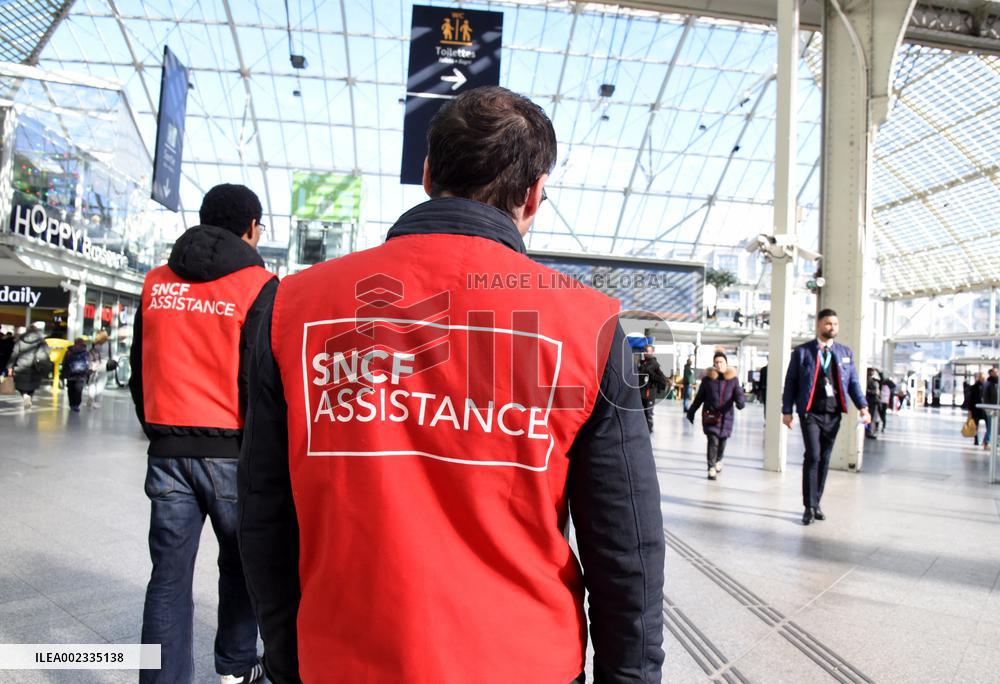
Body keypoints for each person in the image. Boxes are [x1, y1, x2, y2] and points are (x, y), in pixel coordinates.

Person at [238, 86, 665, 684]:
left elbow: (265, 516)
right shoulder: (588, 327)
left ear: (428, 173)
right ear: (534, 194)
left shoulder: (292, 308)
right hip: (524, 662)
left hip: (345, 658)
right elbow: (627, 548)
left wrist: (290, 662)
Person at [129, 184, 276, 684]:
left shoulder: (155, 283)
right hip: (233, 454)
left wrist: (158, 429)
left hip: (168, 452)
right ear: (251, 228)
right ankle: (235, 669)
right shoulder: (259, 285)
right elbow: (258, 379)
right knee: (240, 567)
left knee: (167, 579)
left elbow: (138, 369)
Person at [782, 309, 870, 526]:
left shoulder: (844, 353)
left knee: (824, 458)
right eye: (828, 323)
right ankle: (808, 506)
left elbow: (853, 384)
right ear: (819, 325)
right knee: (813, 455)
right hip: (810, 413)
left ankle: (817, 502)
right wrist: (787, 410)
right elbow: (791, 382)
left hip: (833, 413)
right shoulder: (803, 352)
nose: (833, 328)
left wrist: (863, 407)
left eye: (835, 324)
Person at [686, 351, 745, 480]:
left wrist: (740, 402)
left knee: (722, 442)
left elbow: (738, 393)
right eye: (716, 362)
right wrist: (691, 411)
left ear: (726, 364)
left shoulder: (733, 380)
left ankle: (719, 459)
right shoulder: (708, 379)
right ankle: (711, 467)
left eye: (721, 362)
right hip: (711, 415)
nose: (718, 364)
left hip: (726, 417)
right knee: (712, 441)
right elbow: (699, 397)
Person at [4, 322, 51, 409]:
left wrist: (10, 366)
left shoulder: (21, 340)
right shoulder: (41, 341)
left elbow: (14, 354)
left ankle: (25, 395)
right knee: (32, 385)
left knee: (20, 386)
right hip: (35, 367)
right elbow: (45, 354)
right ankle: (29, 397)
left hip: (21, 366)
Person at [637, 344, 668, 432]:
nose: (646, 353)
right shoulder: (643, 363)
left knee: (648, 413)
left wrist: (651, 374)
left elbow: (662, 380)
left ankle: (649, 429)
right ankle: (643, 429)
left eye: (648, 351)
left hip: (649, 393)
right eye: (645, 351)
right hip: (641, 393)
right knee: (642, 412)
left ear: (652, 352)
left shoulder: (655, 364)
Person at [61, 338, 90, 412]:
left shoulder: (69, 351)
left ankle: (72, 404)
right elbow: (88, 363)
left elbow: (64, 363)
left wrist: (63, 374)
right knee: (78, 390)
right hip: (81, 375)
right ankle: (76, 405)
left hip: (70, 374)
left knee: (71, 390)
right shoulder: (86, 351)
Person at [86, 330, 113, 408]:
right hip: (104, 365)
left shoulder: (94, 343)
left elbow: (88, 352)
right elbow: (112, 355)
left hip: (94, 364)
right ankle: (97, 402)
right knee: (101, 383)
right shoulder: (108, 343)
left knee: (92, 382)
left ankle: (90, 398)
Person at [963, 373, 986, 445]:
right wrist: (970, 410)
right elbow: (971, 400)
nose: (983, 379)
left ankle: (985, 440)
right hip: (976, 410)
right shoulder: (974, 387)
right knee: (975, 426)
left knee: (988, 425)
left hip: (984, 410)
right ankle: (976, 440)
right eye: (982, 377)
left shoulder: (985, 386)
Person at [983, 368, 998, 450]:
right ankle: (987, 441)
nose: (997, 373)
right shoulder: (989, 384)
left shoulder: (992, 383)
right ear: (991, 373)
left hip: (993, 408)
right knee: (991, 426)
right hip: (991, 409)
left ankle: (988, 441)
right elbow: (988, 397)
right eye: (995, 372)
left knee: (992, 426)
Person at [864, 368, 880, 440]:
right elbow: (866, 390)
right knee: (870, 417)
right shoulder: (866, 380)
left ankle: (870, 431)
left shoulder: (874, 380)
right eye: (871, 371)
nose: (872, 373)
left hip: (874, 401)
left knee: (873, 417)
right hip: (870, 401)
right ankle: (868, 432)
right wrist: (873, 392)